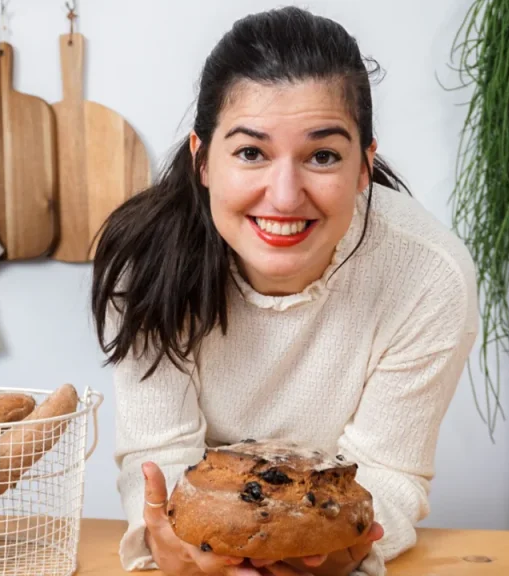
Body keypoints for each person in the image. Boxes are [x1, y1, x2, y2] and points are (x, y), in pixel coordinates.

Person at [90, 6, 479, 576]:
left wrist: (337, 554)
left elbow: (388, 473)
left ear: (364, 166)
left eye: (323, 156)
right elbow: (161, 456)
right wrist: (175, 543)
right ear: (203, 159)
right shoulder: (146, 262)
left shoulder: (427, 274)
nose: (285, 195)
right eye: (251, 152)